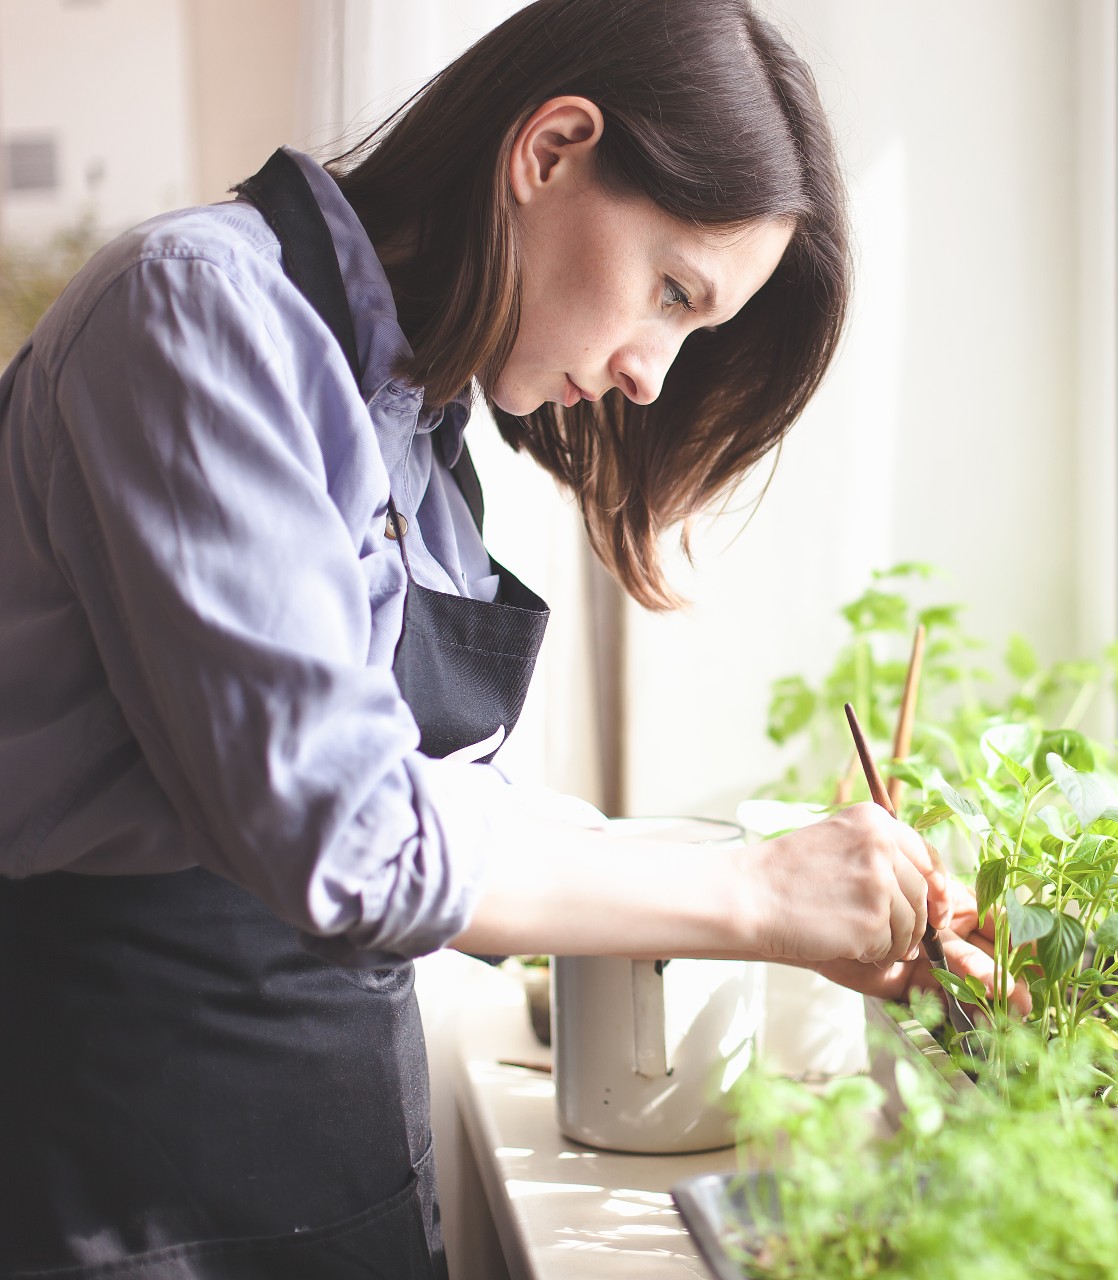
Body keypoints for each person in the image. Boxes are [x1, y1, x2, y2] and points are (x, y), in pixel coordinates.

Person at [0, 1, 1008, 1275]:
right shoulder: (196, 318)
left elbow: (459, 816)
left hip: (332, 1141)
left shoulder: (416, 425)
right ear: (550, 151)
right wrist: (759, 894)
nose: (654, 372)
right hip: (130, 1162)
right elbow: (352, 838)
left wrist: (818, 889)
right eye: (673, 291)